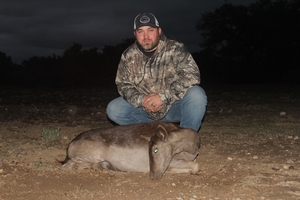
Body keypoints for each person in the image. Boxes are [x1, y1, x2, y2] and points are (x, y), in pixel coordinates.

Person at [106, 13, 207, 132]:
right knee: (114, 109)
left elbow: (192, 75)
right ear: (135, 34)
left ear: (159, 31)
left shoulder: (175, 48)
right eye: (140, 31)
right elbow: (123, 84)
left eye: (150, 30)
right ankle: (152, 132)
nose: (146, 36)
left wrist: (163, 97)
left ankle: (184, 138)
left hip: (173, 106)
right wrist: (142, 100)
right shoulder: (128, 55)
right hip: (144, 109)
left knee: (197, 95)